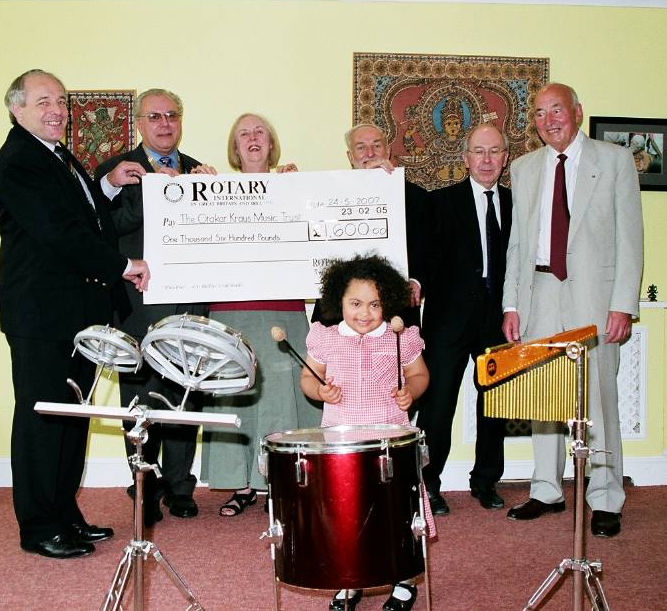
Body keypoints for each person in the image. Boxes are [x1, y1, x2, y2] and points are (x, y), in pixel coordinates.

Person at [0, 69, 151, 559]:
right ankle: (40, 526)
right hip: (41, 315)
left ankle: (64, 514)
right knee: (43, 420)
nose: (57, 110)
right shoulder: (18, 159)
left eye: (61, 101)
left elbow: (87, 214)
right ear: (16, 108)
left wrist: (108, 184)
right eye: (44, 101)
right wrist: (122, 265)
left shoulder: (57, 155)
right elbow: (59, 231)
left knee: (72, 417)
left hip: (75, 314)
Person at [502, 82, 643, 538]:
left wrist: (623, 305)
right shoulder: (523, 168)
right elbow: (517, 244)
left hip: (595, 299)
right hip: (539, 291)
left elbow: (630, 239)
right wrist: (511, 304)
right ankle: (547, 490)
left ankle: (605, 497)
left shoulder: (615, 160)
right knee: (545, 397)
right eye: (540, 114)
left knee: (598, 401)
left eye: (556, 110)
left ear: (577, 112)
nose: (549, 121)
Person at [94, 88, 216, 524]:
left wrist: (212, 194)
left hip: (188, 304)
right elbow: (104, 229)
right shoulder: (116, 171)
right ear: (139, 123)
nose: (165, 123)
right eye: (155, 116)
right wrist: (158, 193)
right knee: (139, 400)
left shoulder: (199, 170)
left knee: (185, 396)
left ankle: (181, 487)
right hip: (137, 304)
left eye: (172, 115)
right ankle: (145, 484)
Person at [201, 112, 322, 516]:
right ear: (235, 148)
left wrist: (301, 192)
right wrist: (196, 188)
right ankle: (242, 484)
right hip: (231, 309)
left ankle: (281, 482)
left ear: (271, 144)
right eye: (244, 134)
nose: (252, 139)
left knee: (283, 397)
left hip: (283, 308)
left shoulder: (294, 187)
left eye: (260, 133)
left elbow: (319, 236)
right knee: (236, 396)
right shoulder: (213, 190)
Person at [301, 254, 431, 611]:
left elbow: (420, 375)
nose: (365, 313)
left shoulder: (399, 337)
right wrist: (320, 391)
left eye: (374, 304)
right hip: (341, 444)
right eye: (355, 304)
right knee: (345, 514)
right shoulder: (326, 338)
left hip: (390, 440)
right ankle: (349, 578)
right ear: (338, 301)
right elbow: (307, 378)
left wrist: (411, 391)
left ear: (386, 303)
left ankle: (403, 578)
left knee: (394, 513)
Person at [414, 123, 511, 516]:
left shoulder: (517, 202)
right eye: (479, 152)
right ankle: (428, 485)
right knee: (437, 406)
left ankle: (486, 480)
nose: (487, 160)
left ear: (505, 158)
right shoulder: (440, 202)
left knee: (496, 403)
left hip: (499, 320)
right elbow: (425, 257)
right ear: (466, 158)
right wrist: (416, 282)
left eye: (494, 151)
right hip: (447, 320)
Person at [310, 123, 428, 327]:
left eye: (376, 145)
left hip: (395, 312)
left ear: (388, 151)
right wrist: (287, 181)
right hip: (338, 312)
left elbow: (428, 249)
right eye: (361, 147)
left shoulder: (417, 198)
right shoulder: (328, 195)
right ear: (350, 157)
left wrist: (415, 281)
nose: (370, 153)